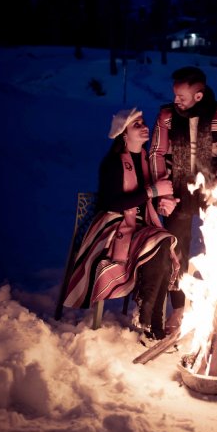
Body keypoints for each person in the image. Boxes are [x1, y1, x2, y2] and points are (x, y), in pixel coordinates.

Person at [64, 107, 179, 342]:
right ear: (123, 134)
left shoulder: (145, 160)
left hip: (138, 227)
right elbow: (112, 203)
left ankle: (151, 321)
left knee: (164, 245)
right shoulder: (114, 163)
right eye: (137, 124)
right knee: (161, 242)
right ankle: (149, 322)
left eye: (143, 122)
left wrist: (162, 203)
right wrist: (152, 191)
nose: (144, 126)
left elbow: (144, 203)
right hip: (112, 227)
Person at [149, 65, 217, 334]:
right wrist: (163, 192)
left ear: (199, 96)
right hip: (177, 187)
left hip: (212, 186)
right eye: (175, 94)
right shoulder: (167, 116)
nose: (176, 100)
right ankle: (178, 308)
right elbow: (156, 153)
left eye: (182, 96)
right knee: (176, 248)